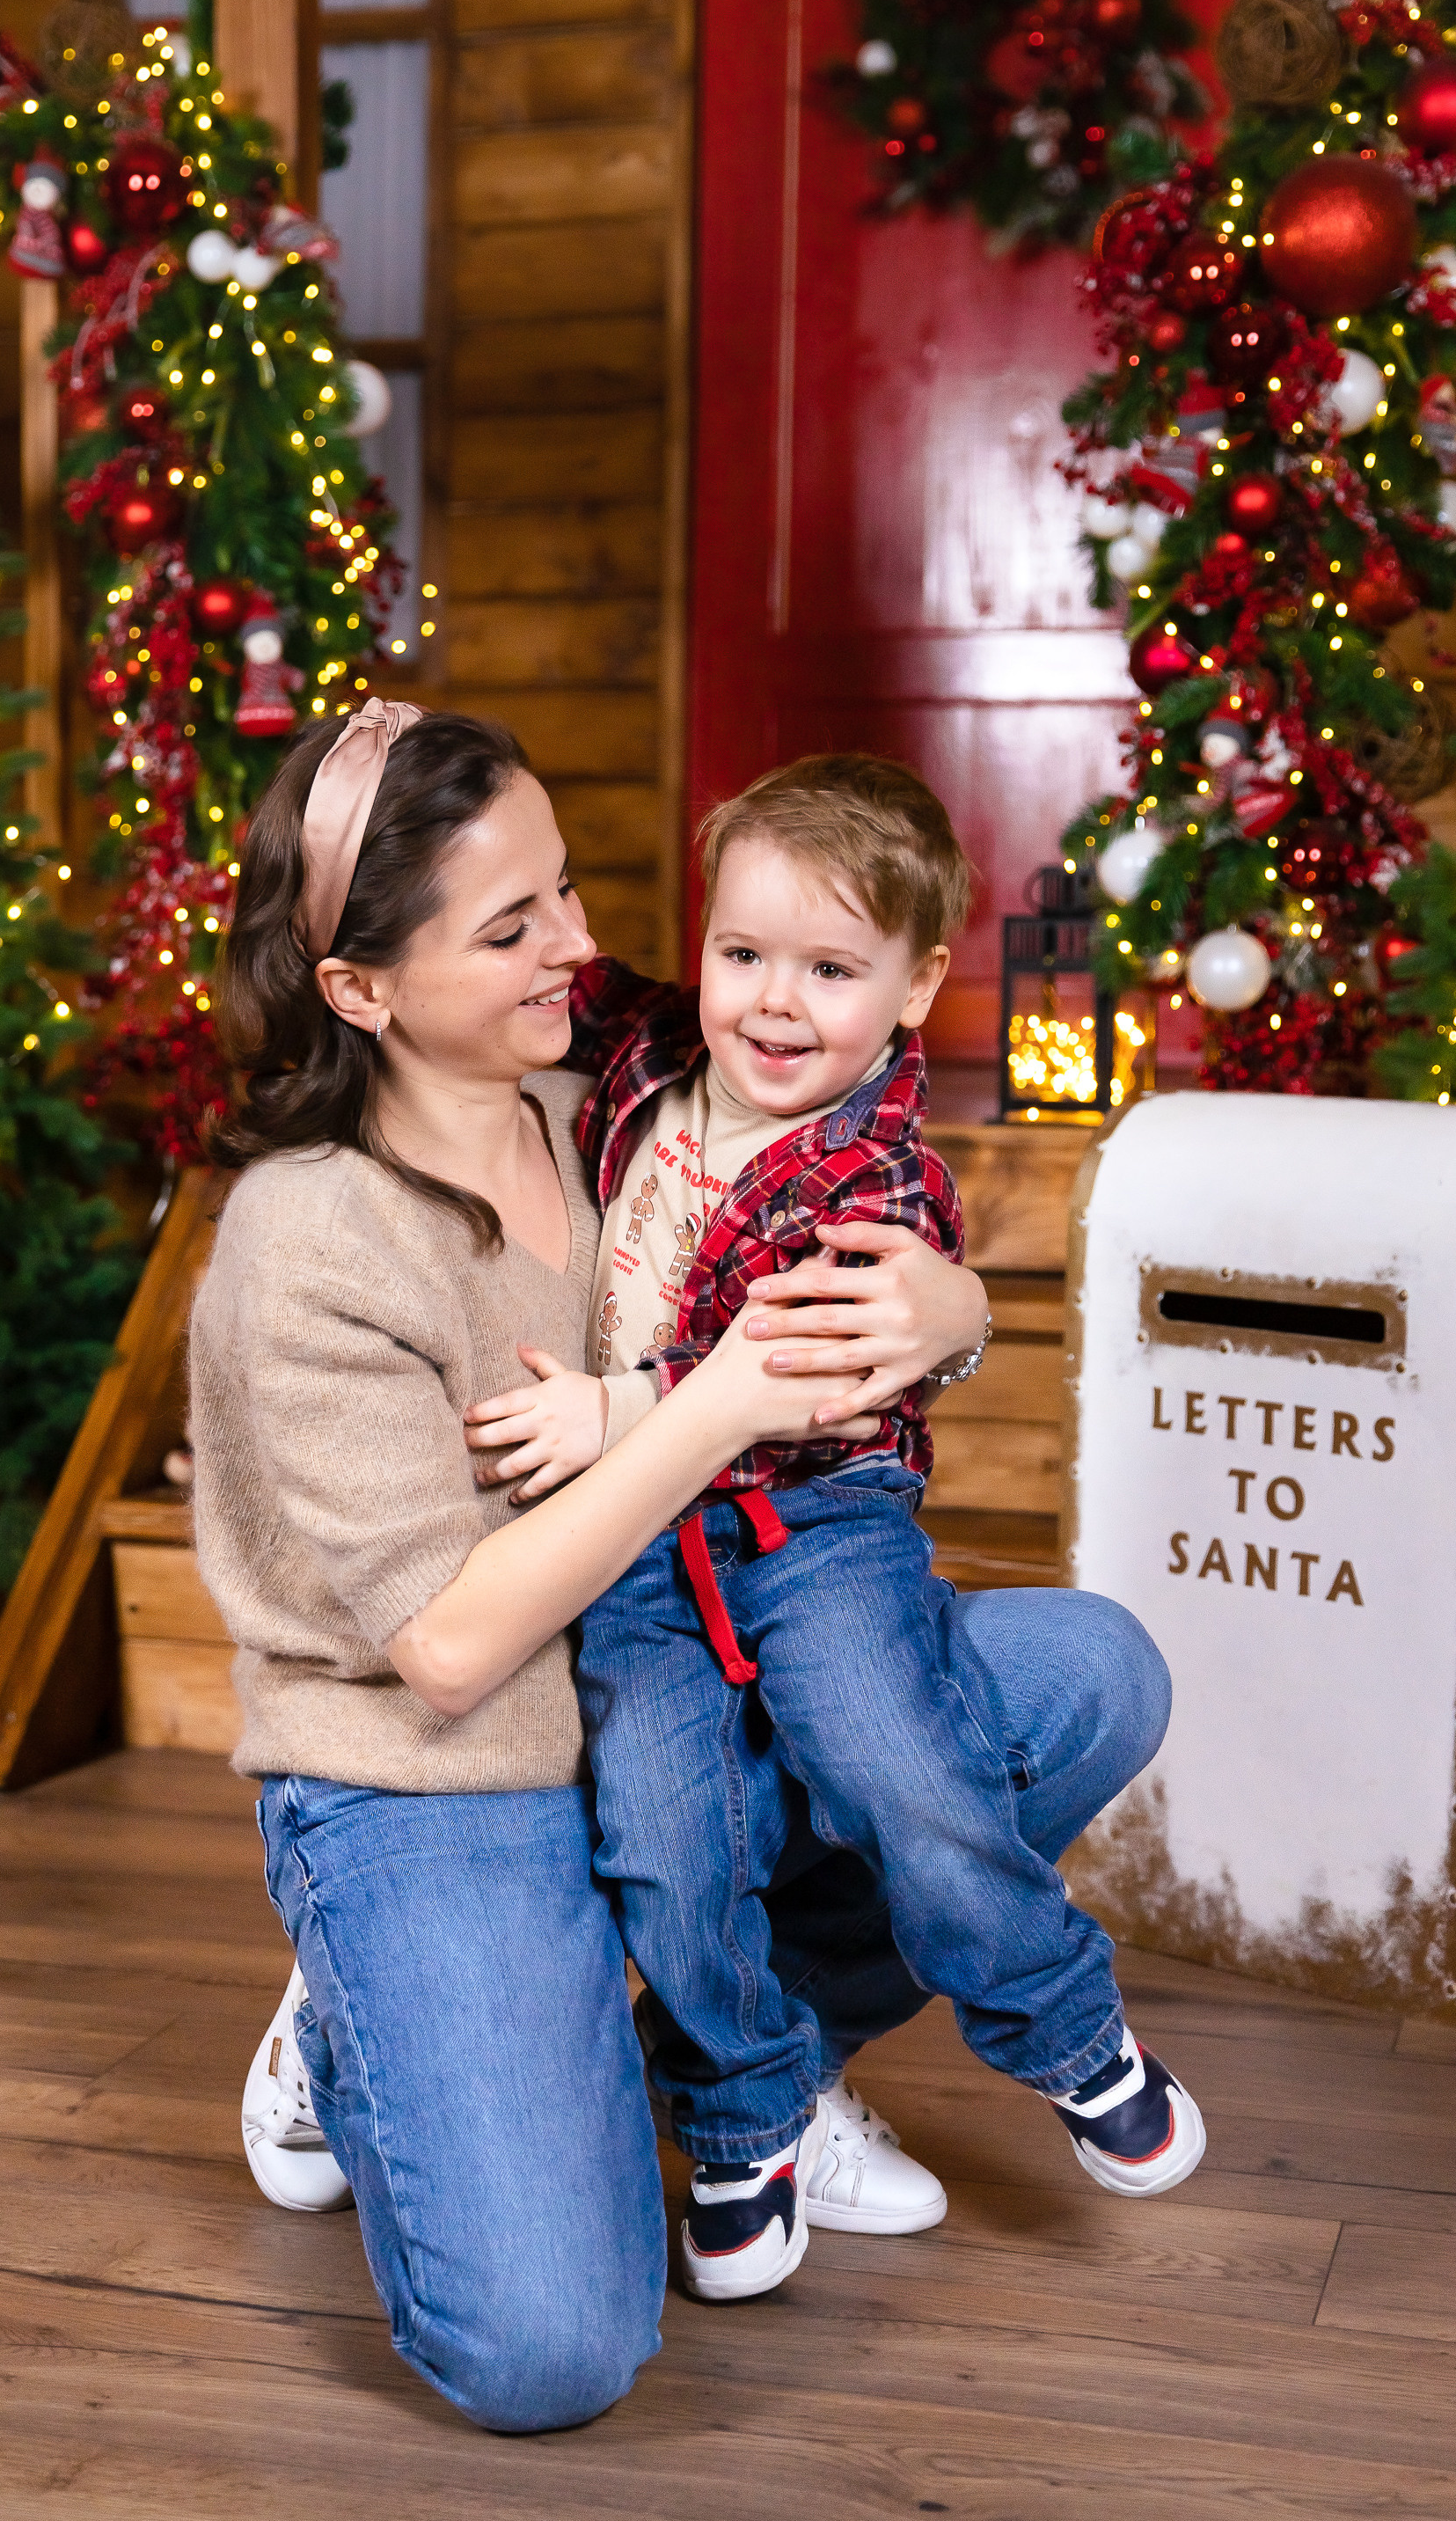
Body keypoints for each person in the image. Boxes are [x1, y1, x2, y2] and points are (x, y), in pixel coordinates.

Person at [195, 700, 1167, 2435]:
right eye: (515, 928)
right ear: (365, 990)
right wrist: (715, 1397)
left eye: (567, 891)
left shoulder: (622, 1078)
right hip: (446, 1752)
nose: (583, 943)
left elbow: (853, 1187)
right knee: (552, 2350)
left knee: (1080, 1676)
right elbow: (445, 1646)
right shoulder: (314, 1241)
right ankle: (356, 2017)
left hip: (653, 1656)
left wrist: (954, 1309)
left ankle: (747, 2065)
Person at [459, 756, 1201, 2305]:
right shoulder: (660, 1052)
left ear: (921, 984)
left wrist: (616, 1406)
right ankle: (742, 2113)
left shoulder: (873, 1172)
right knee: (668, 1827)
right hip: (647, 1550)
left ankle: (1062, 2025)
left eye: (832, 970)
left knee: (889, 1751)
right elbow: (544, 970)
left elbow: (787, 1367)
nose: (775, 1004)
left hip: (814, 1520)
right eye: (745, 954)